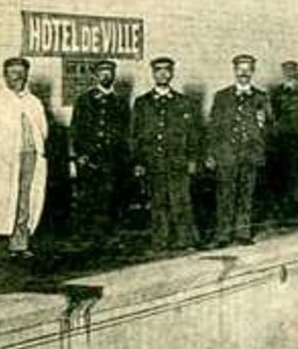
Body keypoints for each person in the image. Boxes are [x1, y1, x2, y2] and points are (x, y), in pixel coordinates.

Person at [0, 57, 49, 263]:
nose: (18, 76)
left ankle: (19, 245)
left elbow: (43, 130)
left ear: (27, 74)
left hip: (30, 157)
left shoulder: (34, 102)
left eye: (21, 72)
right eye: (13, 72)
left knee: (25, 200)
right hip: (4, 161)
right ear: (5, 75)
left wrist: (33, 148)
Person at [133, 56, 201, 254]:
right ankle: (160, 242)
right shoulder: (142, 103)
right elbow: (135, 134)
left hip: (177, 161)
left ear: (172, 73)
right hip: (153, 161)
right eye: (158, 70)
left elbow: (193, 134)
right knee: (158, 202)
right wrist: (138, 161)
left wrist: (192, 159)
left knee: (181, 200)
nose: (163, 73)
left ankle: (186, 240)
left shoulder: (183, 102)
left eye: (167, 70)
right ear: (153, 74)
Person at [207, 53, 273, 246]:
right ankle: (223, 234)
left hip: (250, 154)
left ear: (253, 71)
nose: (243, 73)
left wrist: (263, 125)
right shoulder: (222, 96)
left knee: (246, 193)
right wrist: (212, 153)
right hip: (227, 154)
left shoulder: (261, 97)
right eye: (240, 69)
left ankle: (243, 232)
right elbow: (213, 127)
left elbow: (271, 127)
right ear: (234, 71)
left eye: (247, 69)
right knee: (225, 194)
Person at [70, 58, 131, 247]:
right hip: (89, 158)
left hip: (112, 159)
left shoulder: (120, 102)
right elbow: (76, 130)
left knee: (111, 197)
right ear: (95, 76)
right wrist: (80, 155)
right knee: (88, 197)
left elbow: (127, 132)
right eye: (102, 72)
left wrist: (125, 158)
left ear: (114, 75)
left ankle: (109, 235)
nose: (106, 76)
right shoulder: (84, 100)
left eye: (109, 72)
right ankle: (85, 235)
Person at [268, 60, 298, 225]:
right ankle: (284, 212)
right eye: (286, 71)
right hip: (283, 137)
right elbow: (274, 115)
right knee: (283, 176)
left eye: (292, 71)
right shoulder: (277, 92)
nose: (289, 74)